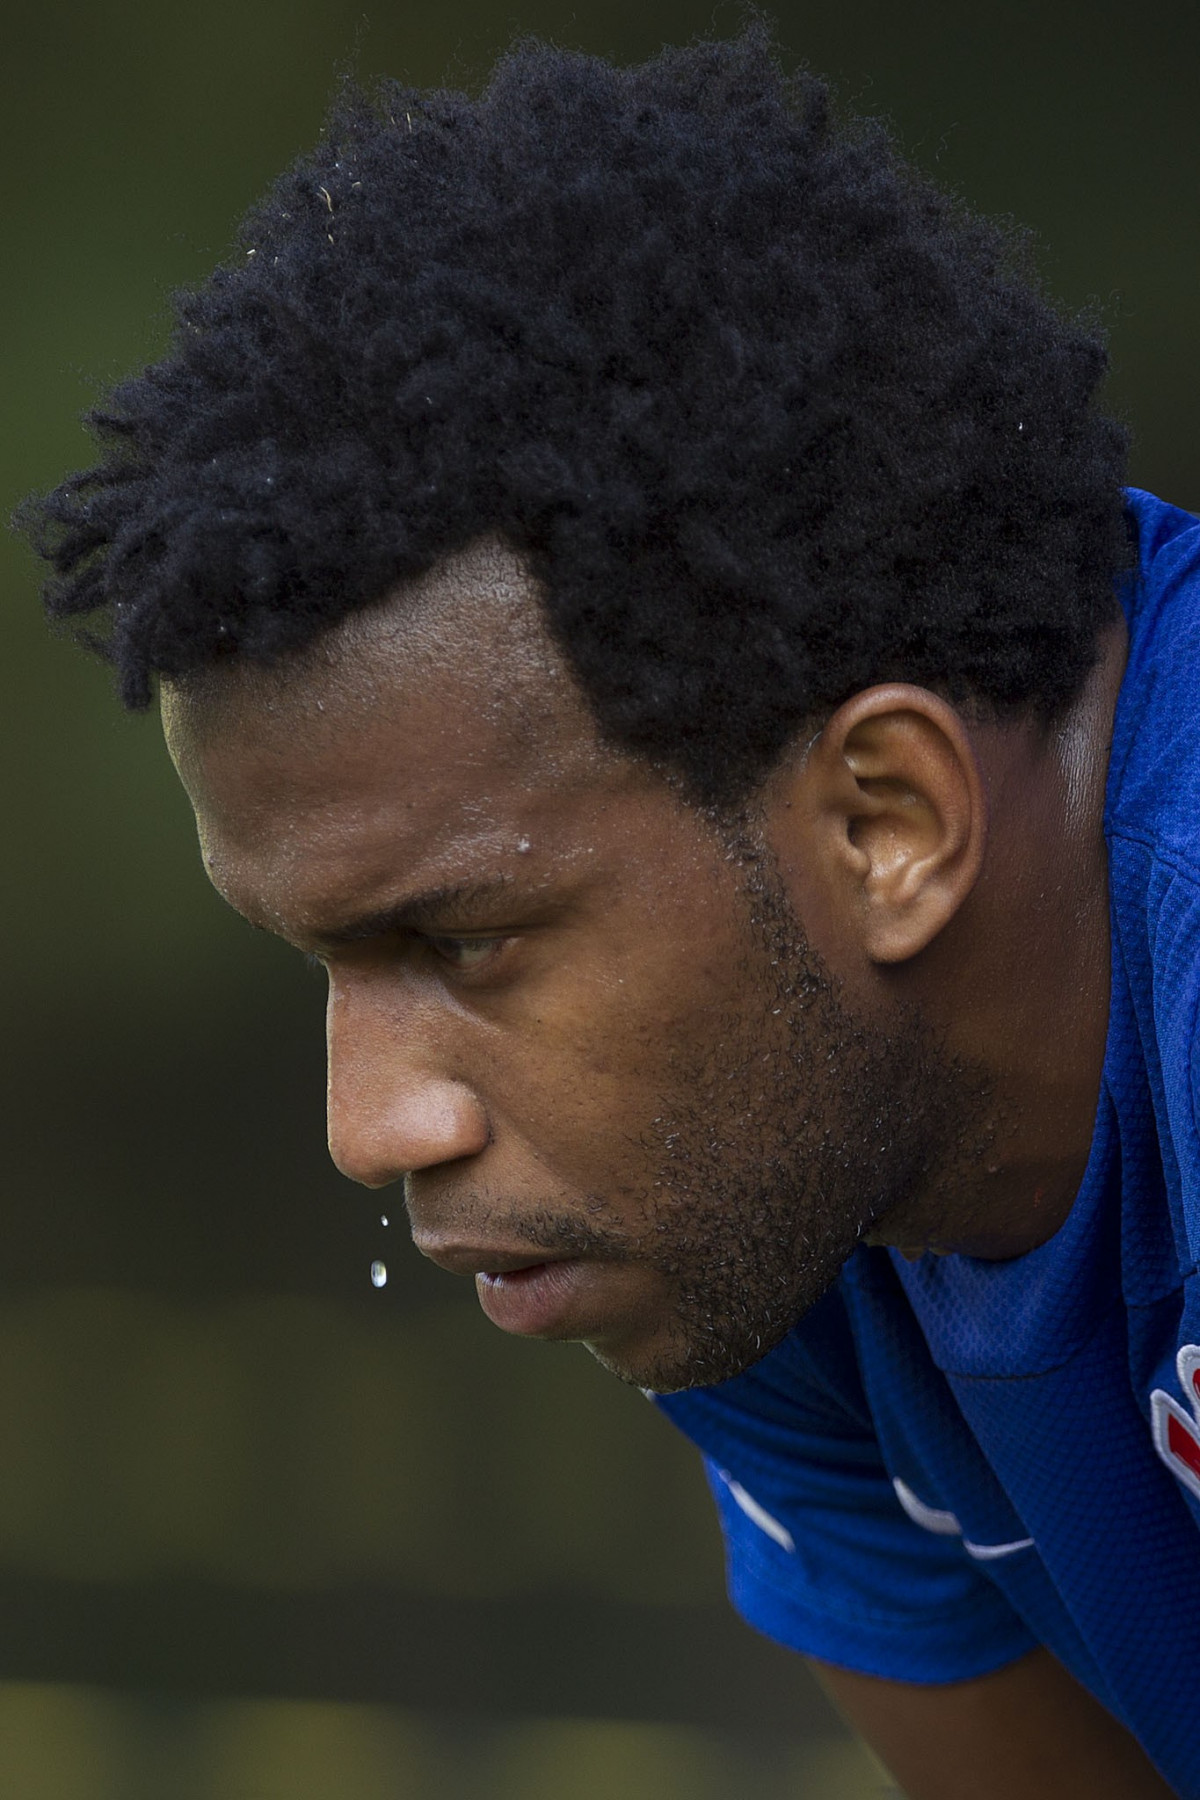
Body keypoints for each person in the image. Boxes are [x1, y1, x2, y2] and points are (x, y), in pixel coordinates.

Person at [21, 31, 1198, 1797]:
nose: (371, 1128)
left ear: (888, 822)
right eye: (326, 965)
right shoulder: (768, 1187)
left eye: (462, 938)